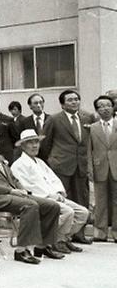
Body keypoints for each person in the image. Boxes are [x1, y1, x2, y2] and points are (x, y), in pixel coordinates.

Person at [0, 126, 62, 264]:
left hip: (12, 195)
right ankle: (21, 251)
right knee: (30, 205)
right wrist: (11, 191)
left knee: (51, 205)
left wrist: (21, 189)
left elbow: (13, 178)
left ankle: (42, 246)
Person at [10, 130, 87, 254]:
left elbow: (53, 178)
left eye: (36, 142)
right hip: (40, 198)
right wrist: (49, 196)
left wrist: (59, 192)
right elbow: (26, 187)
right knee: (68, 212)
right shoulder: (18, 165)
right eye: (30, 143)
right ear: (23, 146)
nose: (35, 145)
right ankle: (52, 240)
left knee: (83, 213)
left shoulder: (40, 162)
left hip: (54, 196)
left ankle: (62, 238)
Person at [41, 89, 95, 244]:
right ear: (63, 104)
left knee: (81, 200)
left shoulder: (87, 117)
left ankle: (79, 234)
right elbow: (45, 143)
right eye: (70, 100)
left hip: (80, 166)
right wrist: (50, 161)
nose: (74, 102)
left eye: (76, 99)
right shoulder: (54, 119)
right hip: (60, 165)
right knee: (64, 201)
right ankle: (61, 237)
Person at [87, 95, 117, 242]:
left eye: (108, 105)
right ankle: (100, 232)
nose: (105, 108)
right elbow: (88, 151)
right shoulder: (92, 128)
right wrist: (90, 169)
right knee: (100, 201)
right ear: (97, 110)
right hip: (99, 168)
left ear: (113, 107)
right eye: (101, 106)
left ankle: (116, 232)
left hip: (116, 168)